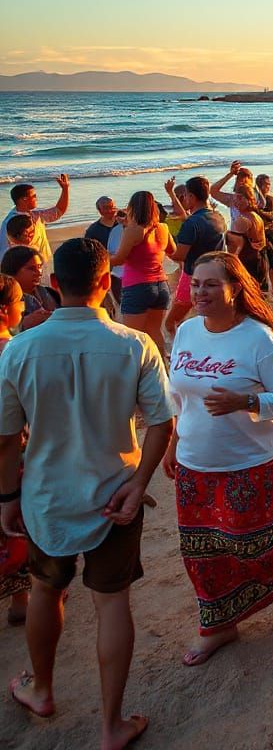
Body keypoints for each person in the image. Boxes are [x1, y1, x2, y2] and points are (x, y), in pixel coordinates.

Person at [0, 237, 173, 748]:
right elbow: (162, 423)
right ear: (106, 283)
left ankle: (43, 688)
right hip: (114, 492)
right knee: (112, 601)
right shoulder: (133, 344)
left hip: (47, 494)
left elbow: (7, 439)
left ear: (53, 285)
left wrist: (7, 497)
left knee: (47, 587)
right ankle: (110, 724)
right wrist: (140, 483)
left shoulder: (18, 349)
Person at [163, 252, 273, 666]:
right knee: (202, 550)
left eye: (210, 284)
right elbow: (179, 399)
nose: (199, 292)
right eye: (195, 284)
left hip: (249, 459)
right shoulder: (185, 332)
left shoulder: (258, 338)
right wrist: (171, 446)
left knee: (250, 536)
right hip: (193, 459)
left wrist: (246, 399)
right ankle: (219, 626)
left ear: (234, 289)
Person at [109, 190, 175, 357]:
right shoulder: (163, 228)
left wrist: (100, 259)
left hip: (138, 286)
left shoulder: (133, 230)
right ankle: (163, 369)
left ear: (133, 208)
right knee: (154, 331)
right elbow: (172, 250)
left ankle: (137, 373)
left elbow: (119, 259)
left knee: (132, 336)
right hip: (160, 285)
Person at [163, 176, 228, 339]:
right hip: (217, 275)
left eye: (185, 196)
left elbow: (179, 255)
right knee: (209, 319)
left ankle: (182, 352)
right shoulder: (217, 217)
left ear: (191, 196)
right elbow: (187, 217)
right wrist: (171, 194)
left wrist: (164, 244)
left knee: (171, 323)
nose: (183, 199)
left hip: (194, 277)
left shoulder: (192, 223)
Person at [0, 276, 28, 627]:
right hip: (11, 451)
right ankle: (21, 598)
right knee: (17, 526)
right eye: (20, 301)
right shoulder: (13, 350)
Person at [0, 175, 71, 272]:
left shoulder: (34, 214)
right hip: (28, 271)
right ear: (24, 199)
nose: (36, 198)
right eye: (33, 196)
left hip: (44, 266)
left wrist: (65, 189)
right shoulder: (11, 224)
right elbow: (5, 252)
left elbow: (58, 211)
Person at [0, 247, 59, 331]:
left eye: (39, 266)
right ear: (12, 272)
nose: (39, 272)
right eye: (31, 268)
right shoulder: (4, 300)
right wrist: (22, 325)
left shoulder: (52, 294)